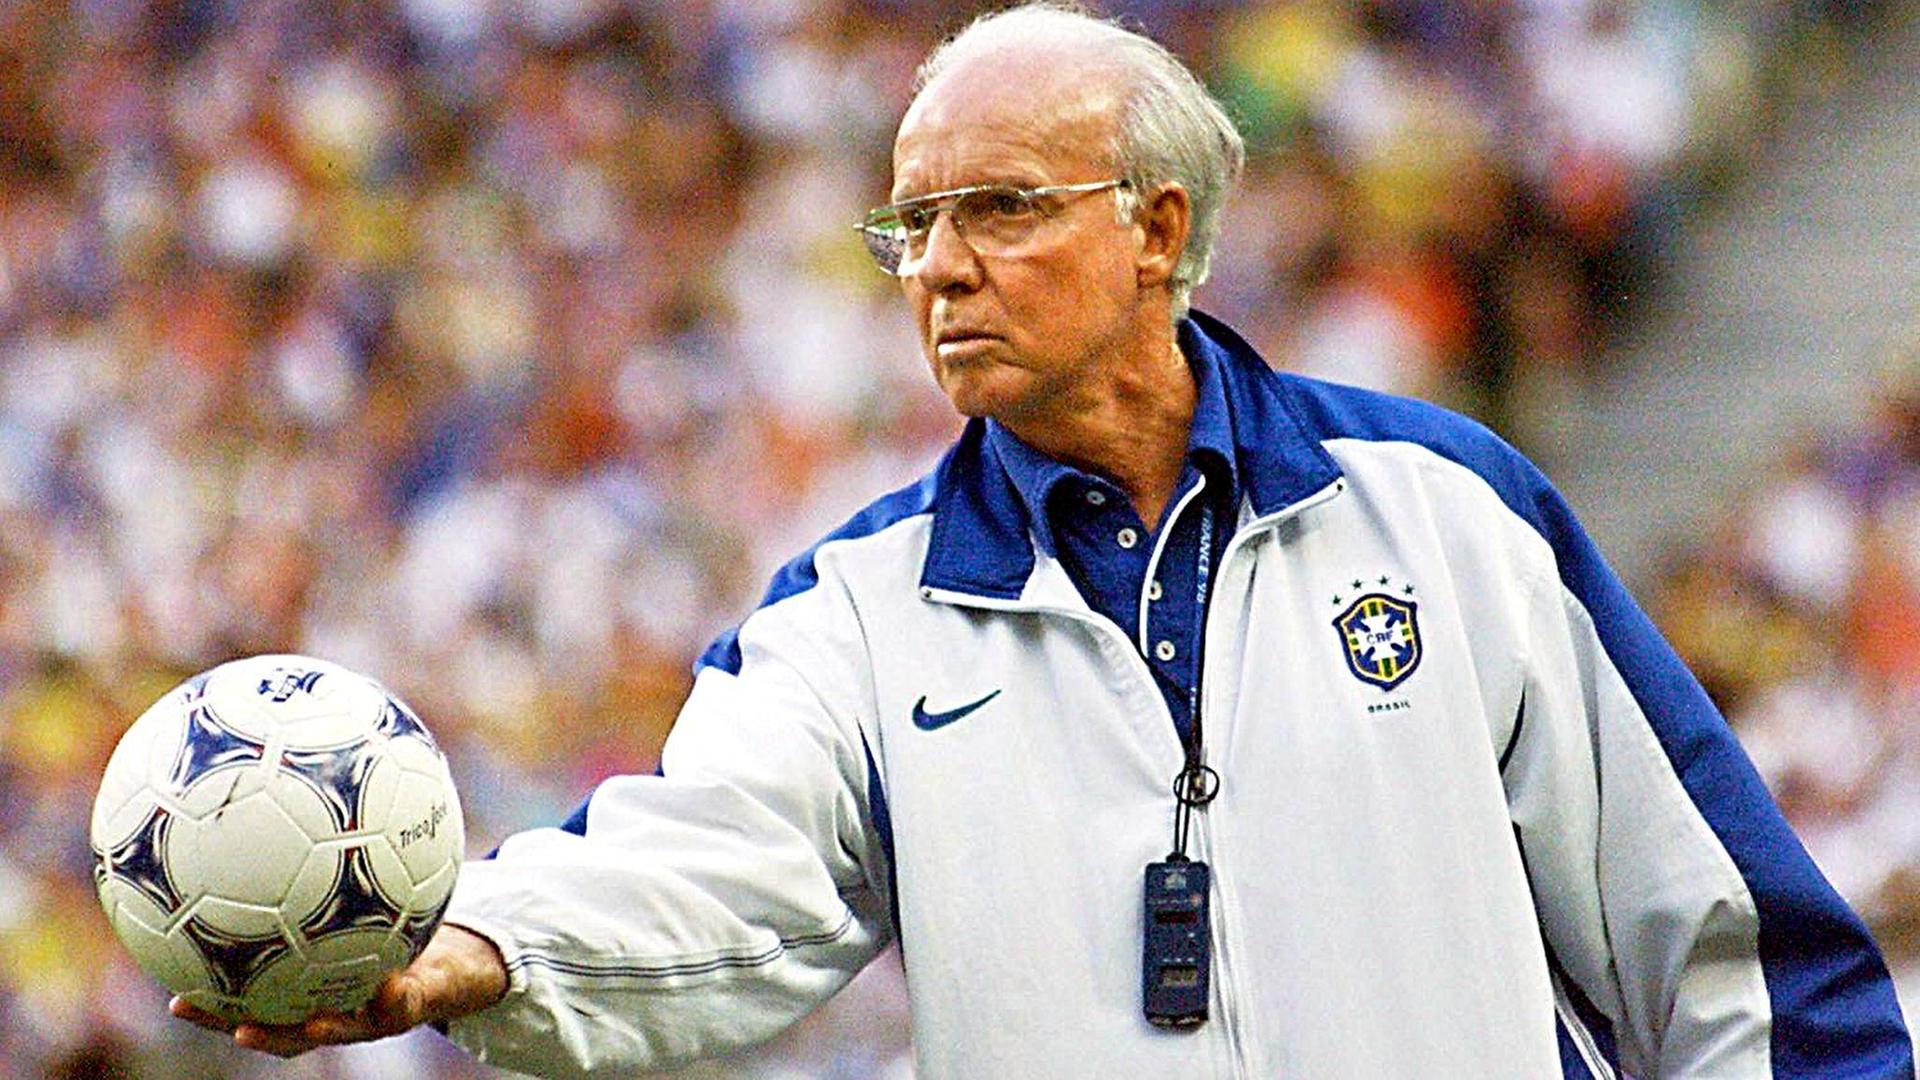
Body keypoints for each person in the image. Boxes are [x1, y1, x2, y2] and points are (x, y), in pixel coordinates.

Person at [176, 3, 1915, 1076]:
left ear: (1160, 231)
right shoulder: (851, 614)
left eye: (998, 207)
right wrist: (489, 948)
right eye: (910, 225)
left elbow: (1723, 940)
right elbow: (713, 860)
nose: (936, 266)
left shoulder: (1447, 509)